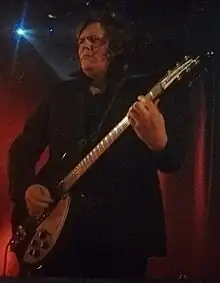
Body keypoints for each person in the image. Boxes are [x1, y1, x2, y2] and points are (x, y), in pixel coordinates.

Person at [8, 12, 189, 278]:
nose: (85, 46)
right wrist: (26, 189)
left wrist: (159, 142)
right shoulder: (60, 95)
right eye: (81, 41)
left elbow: (173, 160)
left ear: (116, 46)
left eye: (95, 39)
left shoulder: (144, 93)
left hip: (119, 240)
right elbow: (22, 149)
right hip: (58, 236)